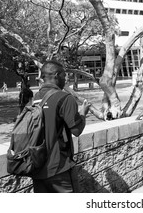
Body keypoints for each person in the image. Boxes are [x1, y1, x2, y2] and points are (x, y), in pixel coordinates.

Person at [31, 60, 90, 193]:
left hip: (37, 167)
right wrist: (83, 114)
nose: (66, 79)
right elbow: (76, 130)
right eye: (64, 75)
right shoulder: (65, 98)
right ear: (56, 75)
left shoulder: (34, 99)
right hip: (59, 169)